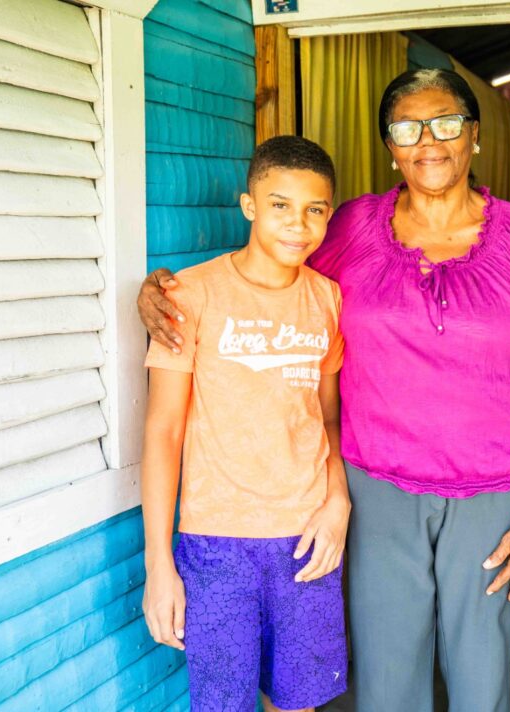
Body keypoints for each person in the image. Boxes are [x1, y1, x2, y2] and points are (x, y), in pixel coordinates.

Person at [137, 68, 510, 712]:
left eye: (446, 122)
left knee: (482, 675)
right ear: (390, 147)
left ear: (475, 135)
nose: (429, 140)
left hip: (494, 491)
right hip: (377, 486)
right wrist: (161, 292)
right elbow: (270, 273)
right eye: (407, 127)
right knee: (387, 676)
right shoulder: (351, 229)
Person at [140, 136, 349, 712]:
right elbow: (163, 431)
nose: (298, 224)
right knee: (223, 704)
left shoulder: (328, 299)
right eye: (280, 205)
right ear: (249, 205)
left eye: (314, 209)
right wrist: (159, 563)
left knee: (297, 703)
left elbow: (328, 416)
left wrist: (338, 501)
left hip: (306, 538)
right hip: (216, 543)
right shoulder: (190, 294)